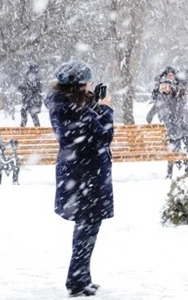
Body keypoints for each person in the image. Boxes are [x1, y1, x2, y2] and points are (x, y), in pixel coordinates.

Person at [44, 60, 114, 297]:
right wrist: (105, 108)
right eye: (88, 82)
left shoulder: (67, 106)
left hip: (80, 174)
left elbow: (86, 129)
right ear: (78, 85)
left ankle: (82, 277)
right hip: (85, 175)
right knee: (87, 227)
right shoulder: (73, 109)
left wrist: (94, 103)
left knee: (87, 227)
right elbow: (102, 136)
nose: (91, 85)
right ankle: (76, 281)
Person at [147, 77, 188, 179]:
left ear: (170, 87)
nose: (163, 89)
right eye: (162, 87)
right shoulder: (161, 98)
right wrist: (149, 116)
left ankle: (187, 167)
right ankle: (170, 172)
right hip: (172, 129)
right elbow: (156, 107)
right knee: (174, 150)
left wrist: (174, 120)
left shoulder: (177, 96)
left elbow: (181, 111)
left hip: (182, 126)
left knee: (184, 145)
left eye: (165, 87)